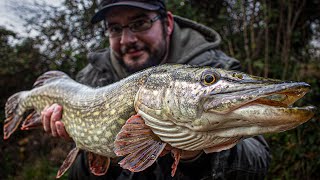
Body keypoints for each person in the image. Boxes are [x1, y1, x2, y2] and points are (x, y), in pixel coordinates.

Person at [41, 0, 271, 179]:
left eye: (140, 23)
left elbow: (258, 163)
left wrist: (197, 154)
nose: (127, 39)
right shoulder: (91, 77)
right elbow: (79, 177)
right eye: (114, 29)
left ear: (168, 23)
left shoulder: (216, 69)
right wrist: (102, 155)